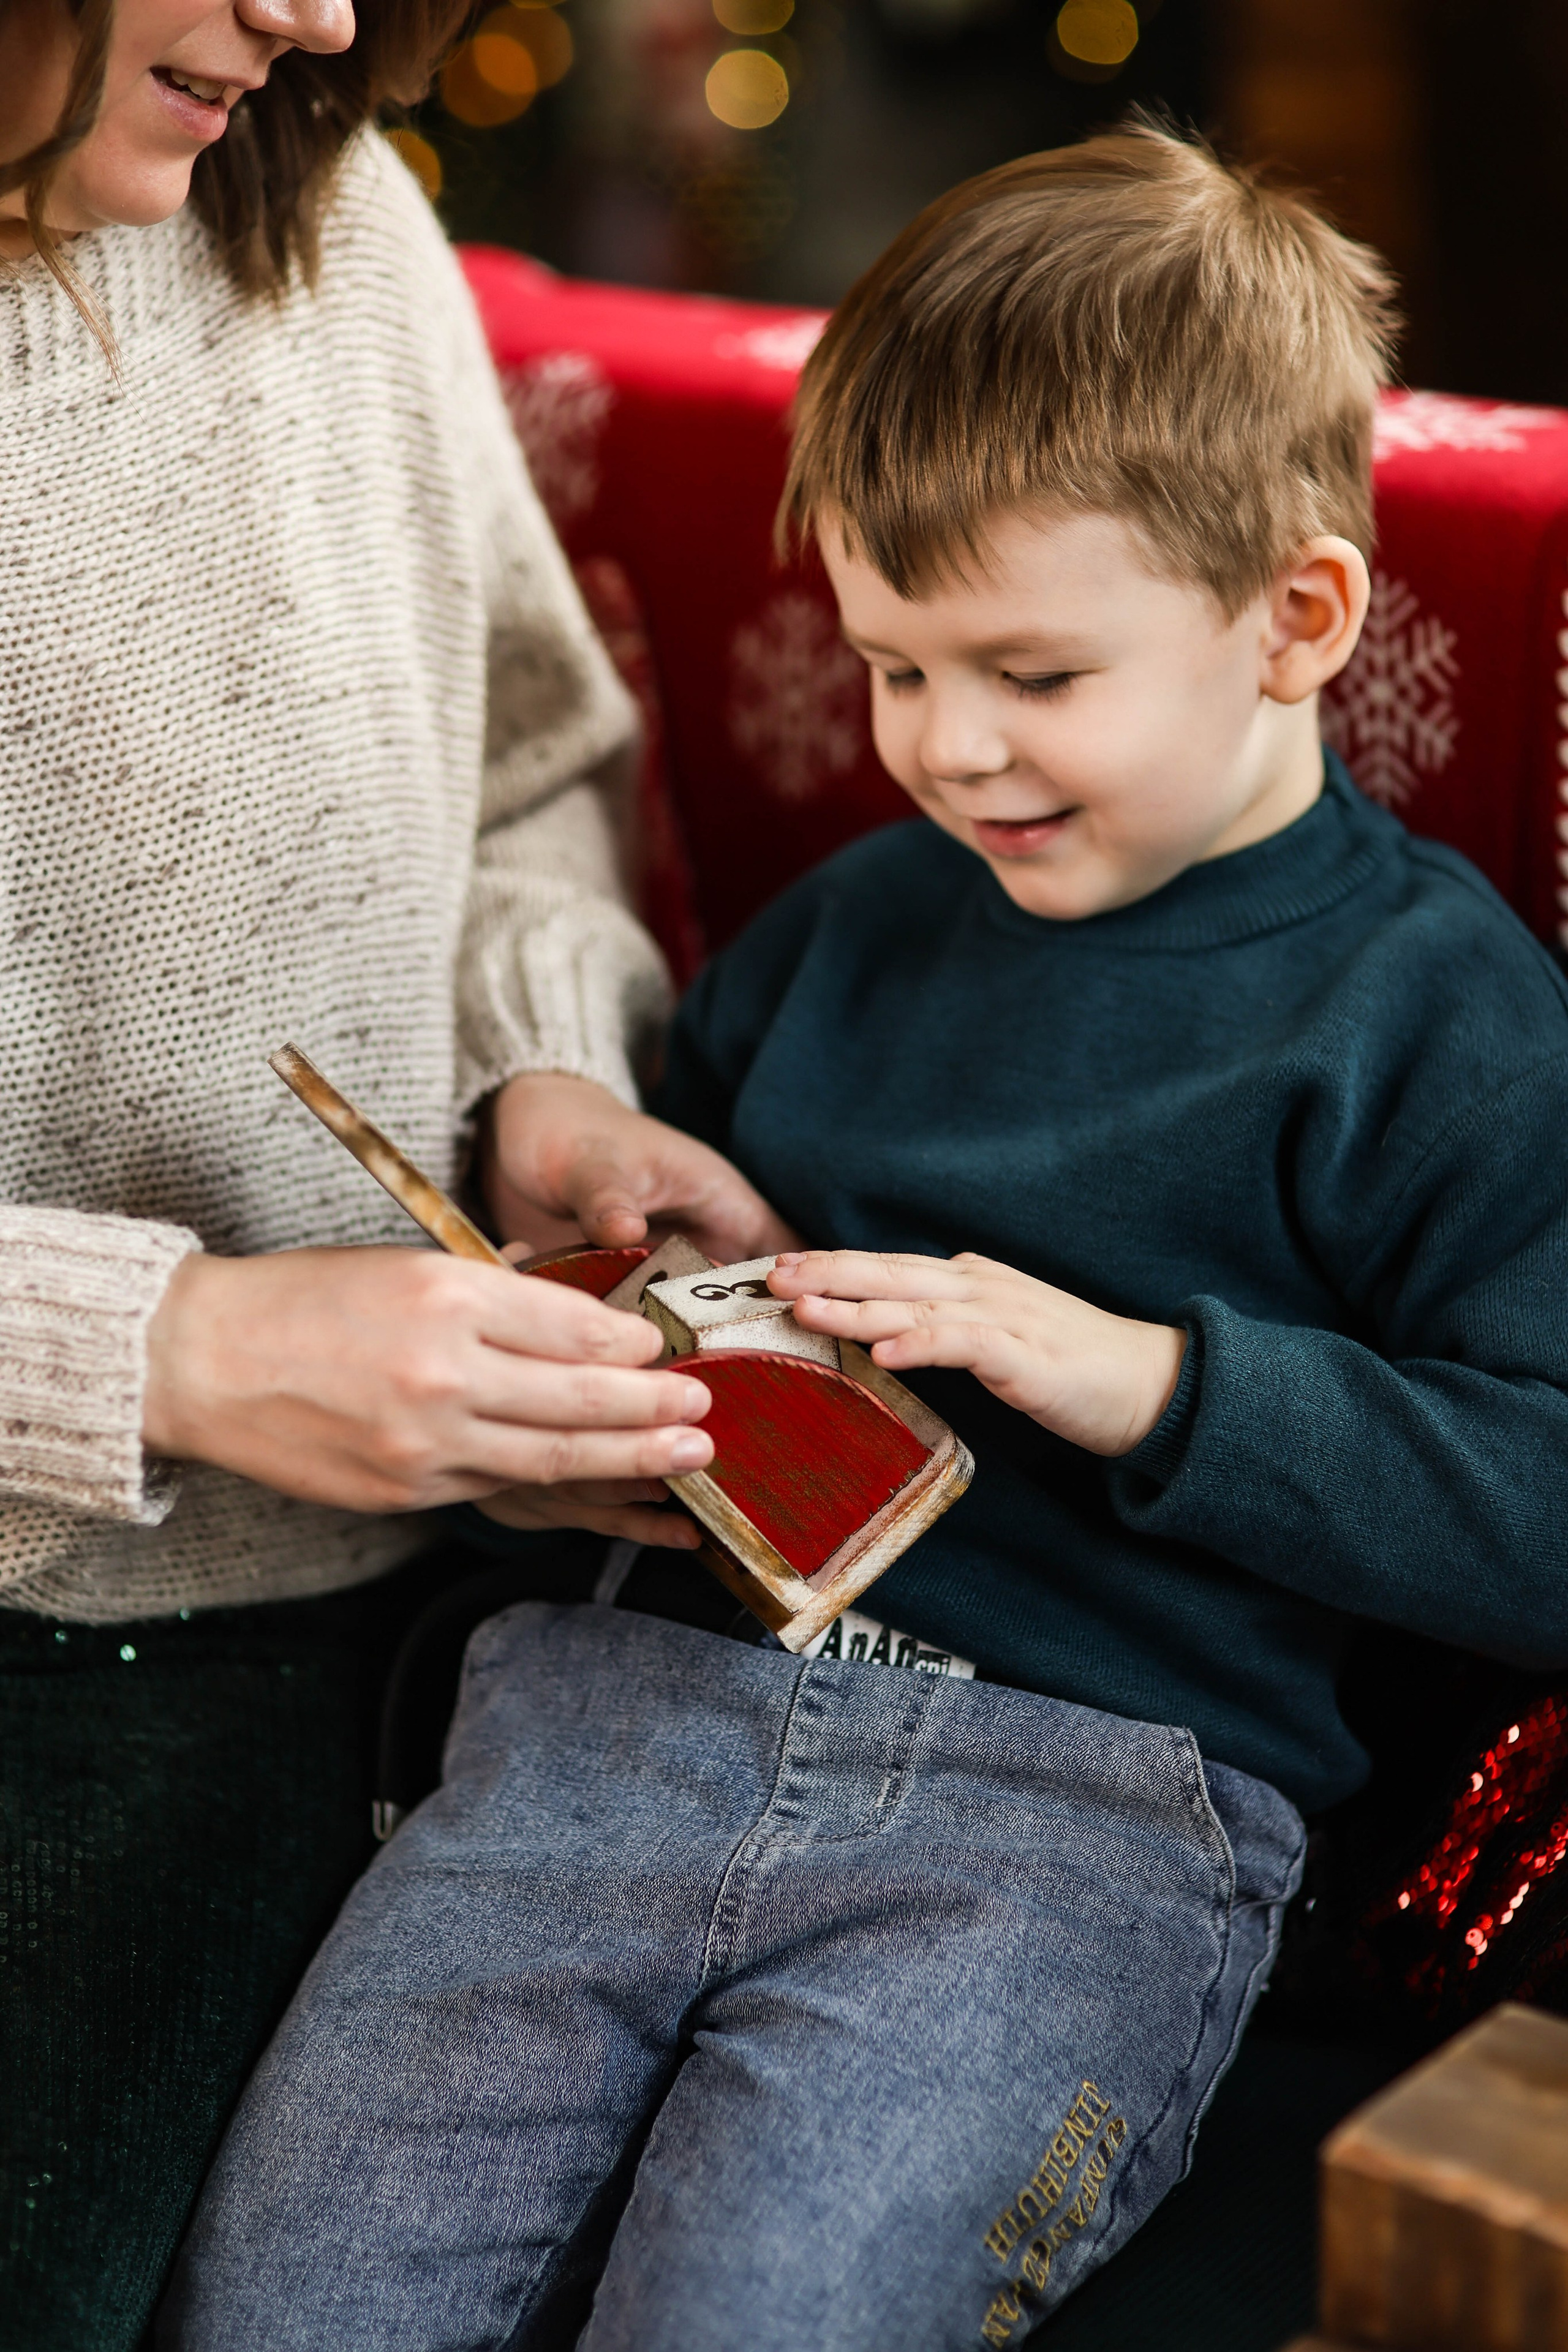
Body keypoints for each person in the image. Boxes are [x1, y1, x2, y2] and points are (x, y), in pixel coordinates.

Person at [164, 124, 1568, 2351]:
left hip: (1082, 1815)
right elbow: (656, 1304)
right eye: (898, 668)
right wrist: (610, 1234)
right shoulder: (851, 929)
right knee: (287, 2301)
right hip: (621, 1714)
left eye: (1032, 676)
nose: (947, 752)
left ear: (1299, 619)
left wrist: (1157, 1382)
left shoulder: (1442, 1019)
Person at [0, 3, 792, 2344]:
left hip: (392, 1670)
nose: (324, 15)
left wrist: (530, 1075)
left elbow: (524, 784)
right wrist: (169, 1348)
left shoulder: (339, 227)